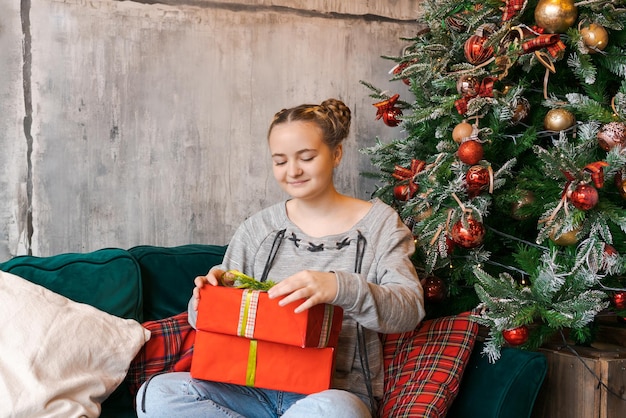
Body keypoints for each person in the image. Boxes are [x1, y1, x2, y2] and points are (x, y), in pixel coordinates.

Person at [136, 98, 425, 418]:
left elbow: (409, 309)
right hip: (246, 388)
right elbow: (201, 320)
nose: (293, 171)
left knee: (337, 412)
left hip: (330, 395)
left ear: (336, 154)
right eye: (280, 160)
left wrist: (339, 287)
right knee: (157, 393)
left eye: (306, 157)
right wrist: (206, 299)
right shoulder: (258, 230)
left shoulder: (380, 224)